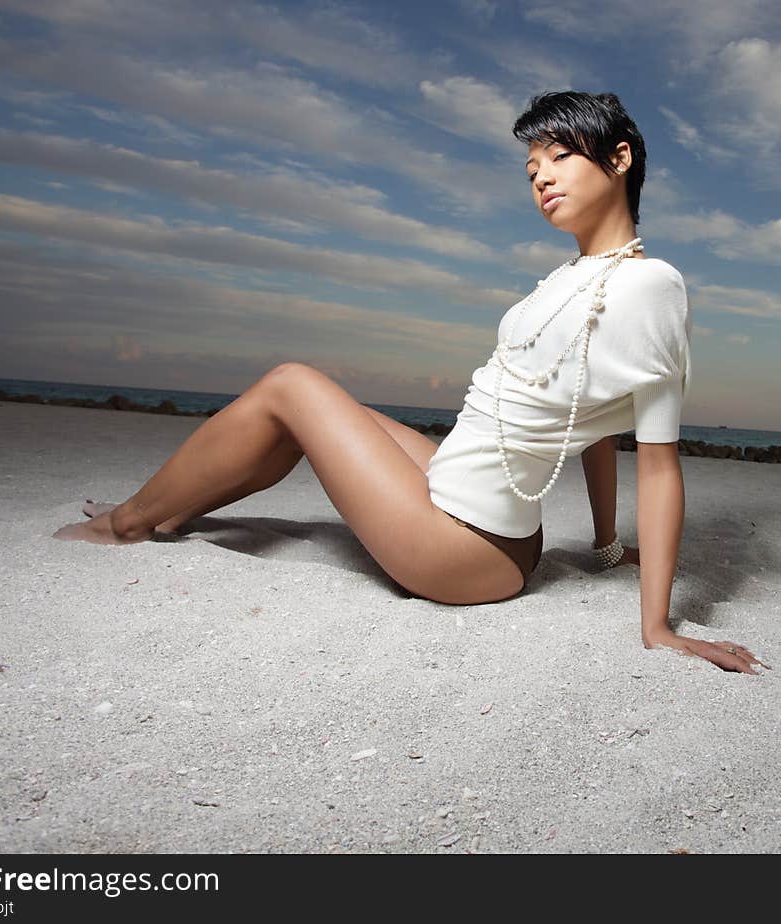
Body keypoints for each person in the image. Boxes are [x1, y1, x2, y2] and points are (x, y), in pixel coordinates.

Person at [54, 90, 766, 676]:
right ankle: (172, 508)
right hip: (472, 507)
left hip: (466, 550)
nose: (540, 177)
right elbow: (590, 417)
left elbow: (660, 459)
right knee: (324, 412)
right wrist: (606, 545)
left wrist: (659, 627)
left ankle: (127, 523)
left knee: (292, 385)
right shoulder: (572, 276)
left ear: (619, 158)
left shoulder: (653, 285)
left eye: (557, 156)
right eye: (529, 169)